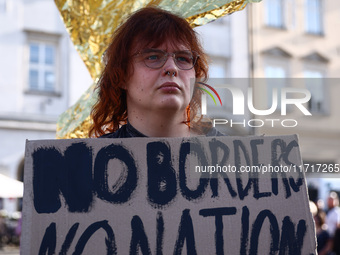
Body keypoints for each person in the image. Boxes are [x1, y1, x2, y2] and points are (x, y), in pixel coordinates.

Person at [89, 6, 222, 138]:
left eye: (183, 58)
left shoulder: (234, 154)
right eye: (153, 57)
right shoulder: (89, 157)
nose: (172, 68)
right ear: (122, 76)